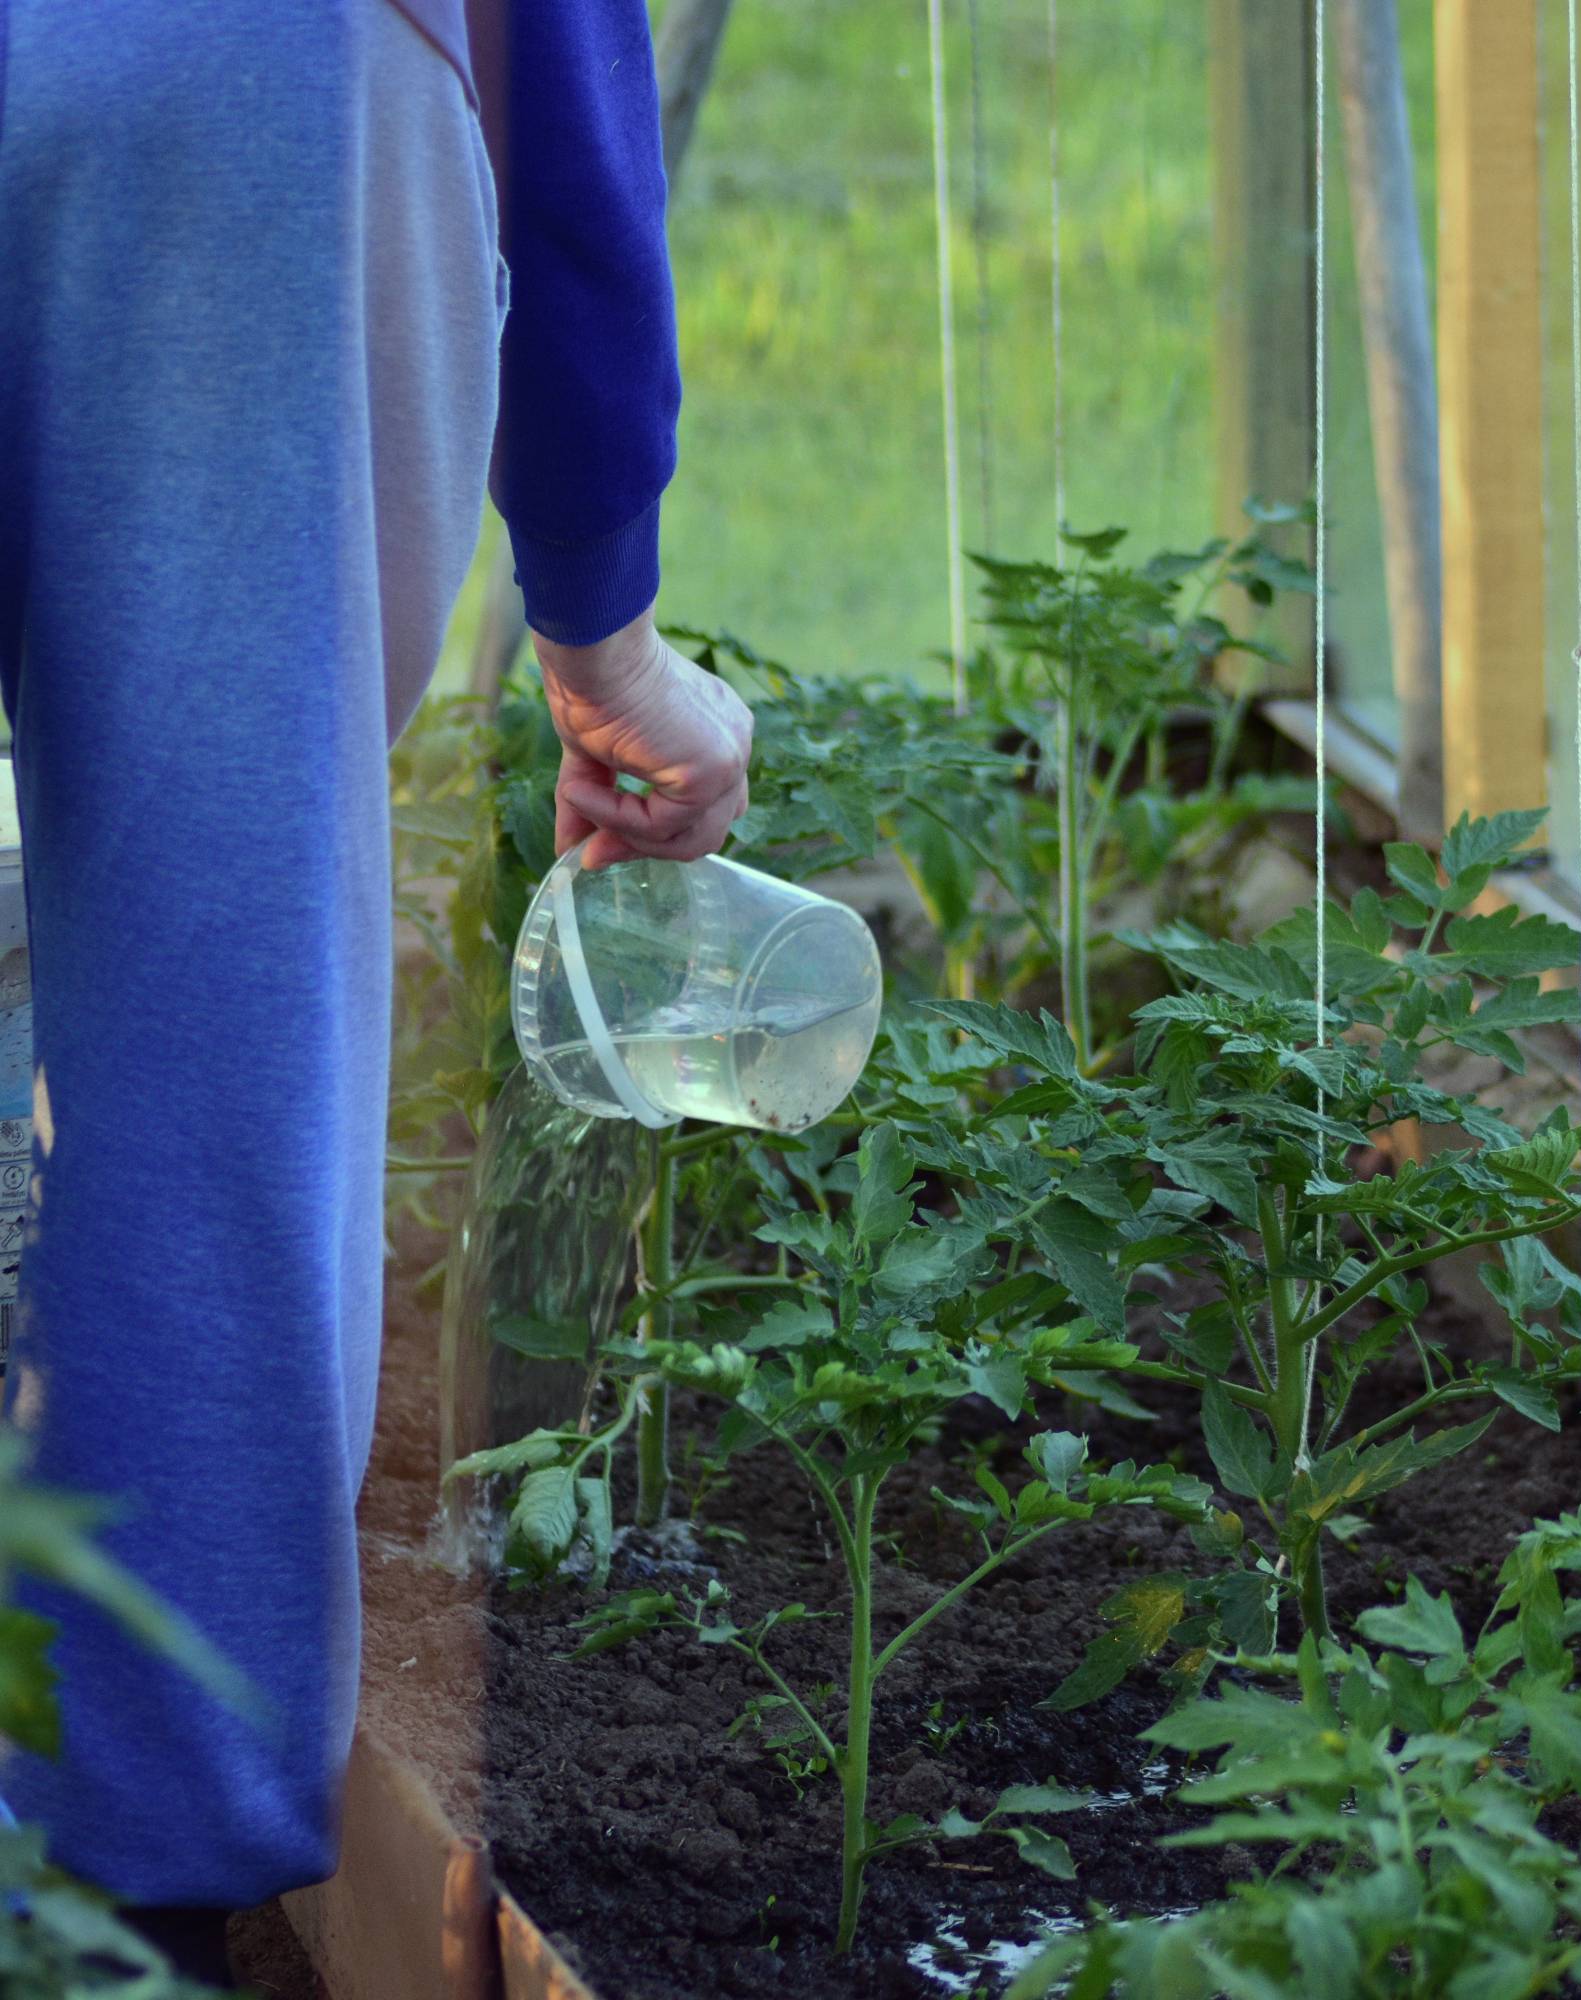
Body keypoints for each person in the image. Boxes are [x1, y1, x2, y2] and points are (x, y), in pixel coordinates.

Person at [0, 0, 750, 1978]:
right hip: (222, 83)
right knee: (213, 975)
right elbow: (557, 73)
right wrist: (603, 617)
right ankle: (128, 1892)